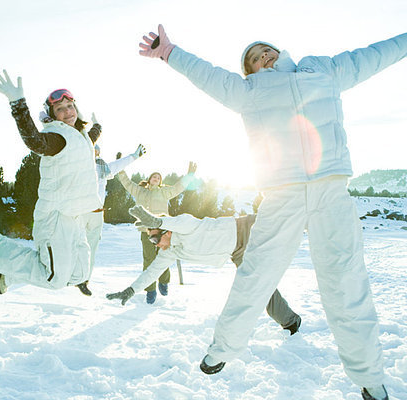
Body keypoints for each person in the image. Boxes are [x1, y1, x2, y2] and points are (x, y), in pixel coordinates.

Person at [138, 25, 407, 400]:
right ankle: (222, 349)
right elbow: (209, 76)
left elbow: (373, 54)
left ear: (278, 51)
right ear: (250, 71)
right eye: (252, 58)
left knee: (346, 280)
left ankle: (371, 378)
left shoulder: (323, 70)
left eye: (265, 50)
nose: (262, 56)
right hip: (282, 196)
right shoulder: (250, 92)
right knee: (256, 273)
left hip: (331, 190)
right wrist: (170, 53)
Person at [0, 70, 102, 294]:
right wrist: (18, 104)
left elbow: (91, 138)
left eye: (70, 106)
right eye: (60, 109)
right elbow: (34, 140)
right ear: (52, 115)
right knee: (53, 278)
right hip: (55, 216)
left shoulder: (81, 135)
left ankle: (10, 272)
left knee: (80, 273)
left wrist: (98, 128)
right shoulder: (56, 137)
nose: (67, 112)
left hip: (75, 216)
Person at [107, 205, 302, 336]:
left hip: (247, 228)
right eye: (151, 241)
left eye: (155, 239)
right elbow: (151, 272)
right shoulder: (171, 251)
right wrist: (130, 290)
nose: (155, 245)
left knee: (296, 221)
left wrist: (156, 221)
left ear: (166, 231)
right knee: (256, 286)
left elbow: (176, 222)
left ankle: (318, 215)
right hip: (237, 252)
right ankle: (291, 322)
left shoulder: (184, 225)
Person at [117, 162, 197, 304]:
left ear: (160, 182)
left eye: (158, 177)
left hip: (162, 230)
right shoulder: (140, 191)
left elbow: (179, 187)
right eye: (154, 176)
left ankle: (164, 281)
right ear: (149, 180)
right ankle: (150, 290)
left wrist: (189, 175)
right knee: (149, 259)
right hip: (146, 230)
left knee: (164, 256)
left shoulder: (164, 192)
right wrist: (120, 168)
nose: (156, 178)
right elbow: (127, 183)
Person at [76, 143, 147, 296]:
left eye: (97, 151)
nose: (95, 152)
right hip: (80, 212)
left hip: (96, 213)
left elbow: (118, 165)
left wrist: (134, 156)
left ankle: (84, 281)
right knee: (75, 244)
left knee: (91, 248)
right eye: (92, 149)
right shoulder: (79, 165)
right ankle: (70, 274)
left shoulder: (103, 168)